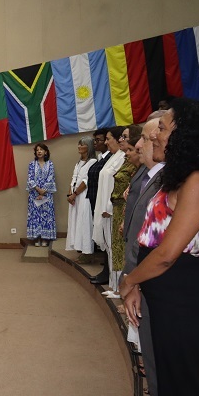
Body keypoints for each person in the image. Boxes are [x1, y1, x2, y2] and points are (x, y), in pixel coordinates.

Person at [120, 99, 199, 396]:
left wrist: (130, 280)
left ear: (185, 134)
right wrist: (141, 286)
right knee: (169, 383)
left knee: (181, 392)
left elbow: (167, 253)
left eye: (163, 127)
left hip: (183, 294)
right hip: (163, 288)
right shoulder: (180, 173)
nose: (156, 133)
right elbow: (151, 241)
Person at [120, 112, 168, 396]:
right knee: (151, 357)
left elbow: (162, 244)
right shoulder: (152, 174)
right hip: (144, 277)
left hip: (159, 282)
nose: (141, 144)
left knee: (161, 359)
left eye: (152, 137)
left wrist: (133, 278)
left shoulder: (174, 179)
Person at [102, 125, 141, 298]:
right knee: (116, 248)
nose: (120, 140)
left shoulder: (136, 162)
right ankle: (116, 285)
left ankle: (122, 287)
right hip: (118, 207)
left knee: (123, 248)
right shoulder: (125, 159)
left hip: (125, 208)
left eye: (124, 137)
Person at [92, 126, 126, 290]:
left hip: (112, 210)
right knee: (110, 248)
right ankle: (113, 285)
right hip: (103, 208)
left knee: (116, 249)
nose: (106, 142)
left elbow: (120, 185)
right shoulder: (113, 157)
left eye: (108, 138)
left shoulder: (122, 158)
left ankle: (119, 286)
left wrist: (109, 206)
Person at [65, 137, 97, 256]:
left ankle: (87, 250)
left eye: (82, 145)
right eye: (79, 144)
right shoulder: (79, 162)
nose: (79, 147)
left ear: (88, 147)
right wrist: (70, 194)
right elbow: (74, 179)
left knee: (84, 222)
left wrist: (75, 194)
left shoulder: (92, 162)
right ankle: (78, 246)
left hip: (83, 196)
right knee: (75, 222)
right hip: (75, 197)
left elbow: (86, 181)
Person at [26, 143, 56, 246]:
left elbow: (51, 178)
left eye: (41, 149)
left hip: (46, 194)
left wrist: (43, 192)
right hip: (34, 194)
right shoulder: (32, 164)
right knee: (36, 216)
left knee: (46, 216)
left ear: (46, 152)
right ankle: (37, 238)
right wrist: (38, 190)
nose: (39, 151)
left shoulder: (50, 164)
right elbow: (30, 179)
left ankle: (45, 238)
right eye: (37, 150)